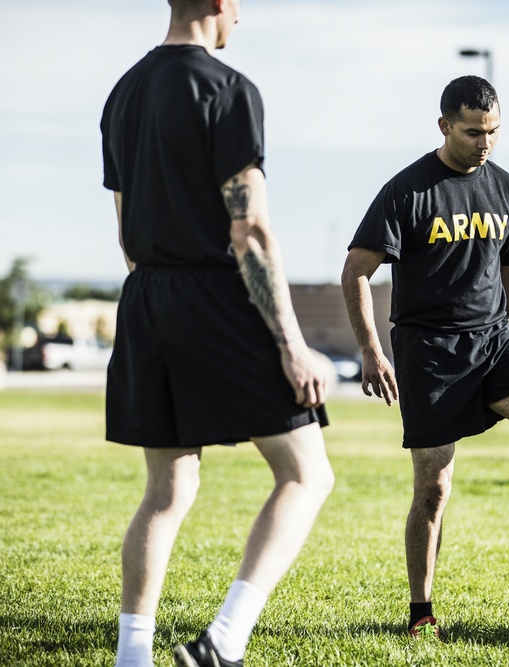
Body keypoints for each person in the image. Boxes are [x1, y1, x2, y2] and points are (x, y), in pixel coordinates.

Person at [100, 2, 334, 666]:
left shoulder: (123, 93)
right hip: (216, 293)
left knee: (167, 489)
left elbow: (124, 232)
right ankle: (224, 642)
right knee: (306, 472)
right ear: (221, 3)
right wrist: (291, 342)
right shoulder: (228, 89)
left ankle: (132, 657)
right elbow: (251, 229)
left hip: (145, 293)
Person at [341, 75, 509, 639]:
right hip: (429, 351)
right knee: (434, 488)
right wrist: (370, 350)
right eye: (472, 132)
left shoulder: (508, 189)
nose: (484, 142)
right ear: (444, 126)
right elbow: (356, 272)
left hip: (494, 341)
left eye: (493, 132)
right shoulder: (407, 191)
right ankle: (421, 613)